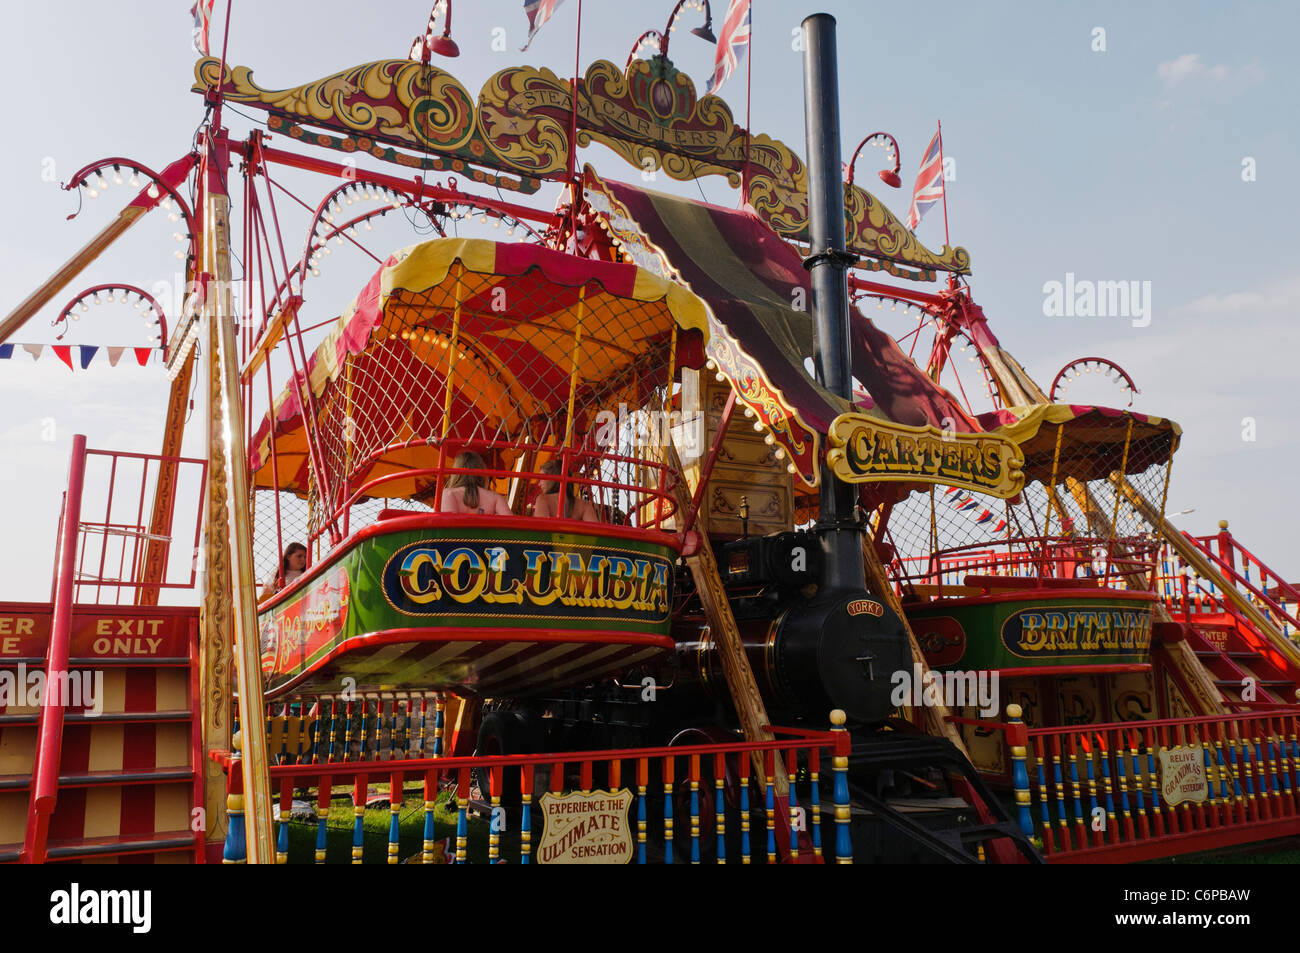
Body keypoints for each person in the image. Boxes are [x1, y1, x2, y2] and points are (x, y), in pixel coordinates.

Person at [440, 450, 512, 515]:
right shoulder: (495, 497)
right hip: (486, 529)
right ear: (482, 471)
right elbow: (511, 523)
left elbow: (448, 524)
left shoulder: (449, 494)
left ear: (456, 474)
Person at [533, 458, 600, 522]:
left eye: (542, 478)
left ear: (551, 479)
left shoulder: (543, 499)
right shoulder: (584, 505)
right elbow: (597, 531)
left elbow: (540, 529)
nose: (539, 484)